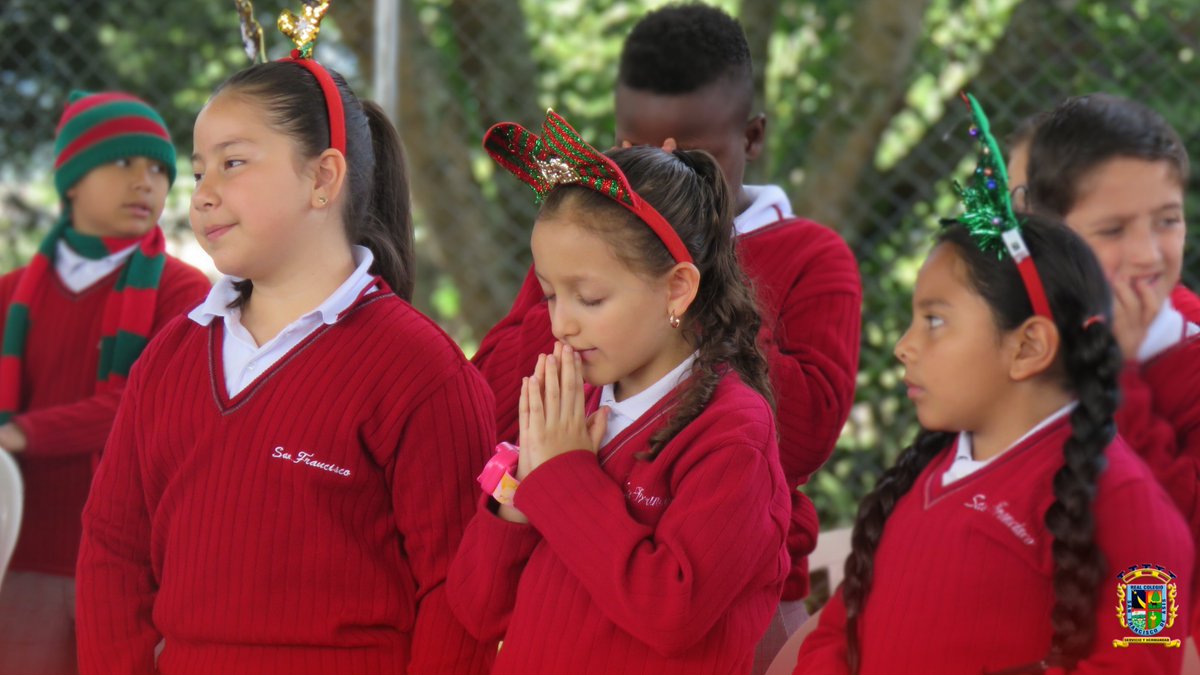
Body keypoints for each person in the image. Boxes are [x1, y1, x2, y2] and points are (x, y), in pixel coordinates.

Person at [75, 28, 494, 674]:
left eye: (233, 162)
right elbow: (112, 550)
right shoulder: (169, 358)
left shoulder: (420, 370)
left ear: (323, 177)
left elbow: (456, 591)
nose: (203, 192)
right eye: (198, 170)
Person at [471, 8, 862, 664]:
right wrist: (595, 284)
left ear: (753, 135)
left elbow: (804, 433)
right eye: (638, 144)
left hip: (732, 605)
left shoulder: (811, 256)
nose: (663, 162)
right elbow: (497, 400)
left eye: (692, 149)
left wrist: (681, 295)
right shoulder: (586, 264)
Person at [795, 95, 1192, 675]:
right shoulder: (923, 473)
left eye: (934, 321)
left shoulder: (1131, 508)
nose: (904, 346)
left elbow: (1141, 659)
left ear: (1028, 346)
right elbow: (841, 625)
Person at [447, 111, 791, 674]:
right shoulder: (572, 406)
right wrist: (520, 497)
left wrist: (563, 478)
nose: (561, 324)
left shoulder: (733, 435)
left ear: (677, 289)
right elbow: (478, 609)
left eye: (589, 298)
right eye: (551, 295)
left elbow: (671, 613)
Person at [0, 90, 210, 675]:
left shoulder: (184, 292)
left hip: (133, 567)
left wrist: (21, 434)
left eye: (159, 170)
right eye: (123, 163)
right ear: (70, 178)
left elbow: (140, 409)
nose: (145, 183)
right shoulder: (10, 294)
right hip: (23, 557)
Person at [1025, 93, 1200, 634]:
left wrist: (1117, 374)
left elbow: (1171, 554)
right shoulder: (1018, 340)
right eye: (1114, 230)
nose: (1148, 253)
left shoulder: (1189, 358)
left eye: (1166, 221)